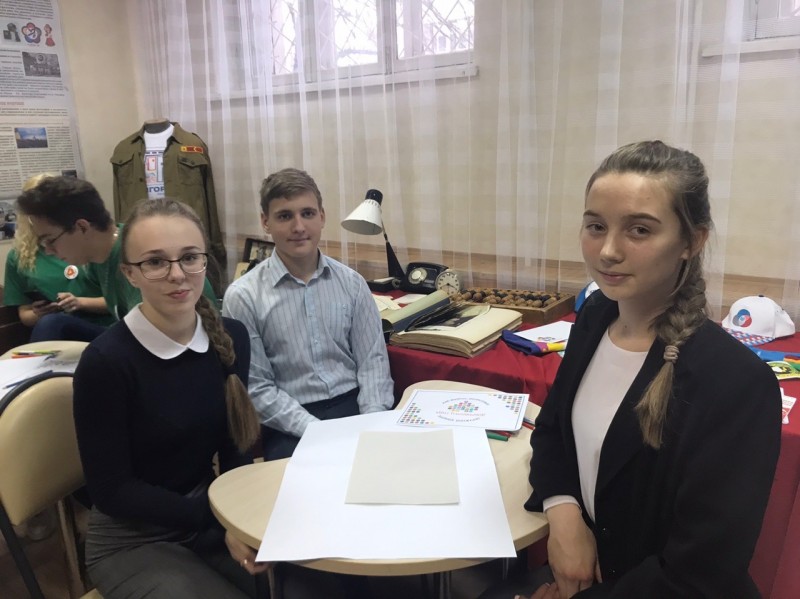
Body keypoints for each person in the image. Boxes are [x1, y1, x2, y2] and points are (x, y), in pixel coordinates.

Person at [485, 141, 781, 599]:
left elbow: (699, 574)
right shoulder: (595, 318)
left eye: (639, 230)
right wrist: (564, 515)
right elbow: (552, 431)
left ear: (692, 241)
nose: (607, 251)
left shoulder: (735, 383)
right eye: (596, 226)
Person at [72, 198, 267, 598]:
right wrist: (218, 518)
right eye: (156, 262)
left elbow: (235, 447)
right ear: (130, 273)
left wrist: (237, 519)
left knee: (303, 584)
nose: (177, 275)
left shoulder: (230, 336)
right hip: (132, 538)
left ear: (205, 262)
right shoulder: (106, 362)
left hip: (205, 514)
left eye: (189, 257)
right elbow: (112, 490)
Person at [222, 167, 394, 460]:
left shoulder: (352, 284)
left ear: (322, 217)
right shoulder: (243, 296)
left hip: (354, 407)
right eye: (285, 216)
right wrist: (318, 431)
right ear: (265, 222)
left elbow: (373, 363)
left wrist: (370, 424)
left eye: (308, 213)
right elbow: (258, 388)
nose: (299, 226)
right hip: (290, 420)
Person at [16, 175, 217, 341]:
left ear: (82, 227)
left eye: (50, 240)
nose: (49, 250)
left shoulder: (138, 258)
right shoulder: (98, 258)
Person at [4, 174, 114, 342]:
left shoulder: (104, 248)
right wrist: (38, 313)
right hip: (64, 329)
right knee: (51, 322)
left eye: (51, 241)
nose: (49, 251)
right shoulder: (20, 256)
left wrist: (80, 303)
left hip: (108, 327)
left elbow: (122, 303)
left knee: (52, 323)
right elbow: (25, 315)